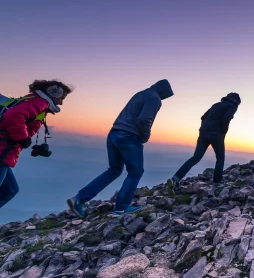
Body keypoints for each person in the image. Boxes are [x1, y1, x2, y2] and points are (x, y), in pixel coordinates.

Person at [67, 79, 173, 217]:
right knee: (136, 171)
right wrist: (145, 136)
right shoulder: (155, 98)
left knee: (114, 170)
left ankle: (79, 199)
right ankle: (121, 208)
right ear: (164, 92)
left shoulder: (141, 94)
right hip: (129, 136)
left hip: (114, 134)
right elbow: (144, 119)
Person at [0, 80, 73, 209]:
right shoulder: (40, 102)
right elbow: (14, 116)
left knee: (10, 190)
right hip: (2, 153)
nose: (61, 102)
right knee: (8, 191)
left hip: (5, 153)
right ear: (54, 93)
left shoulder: (32, 100)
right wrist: (22, 137)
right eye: (61, 98)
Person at [166, 92, 240, 195]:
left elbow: (203, 117)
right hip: (216, 134)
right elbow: (226, 118)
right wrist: (223, 131)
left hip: (203, 133)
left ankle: (175, 179)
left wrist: (203, 129)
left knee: (195, 158)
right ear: (237, 101)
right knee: (220, 158)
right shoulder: (233, 106)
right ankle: (217, 184)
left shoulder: (216, 105)